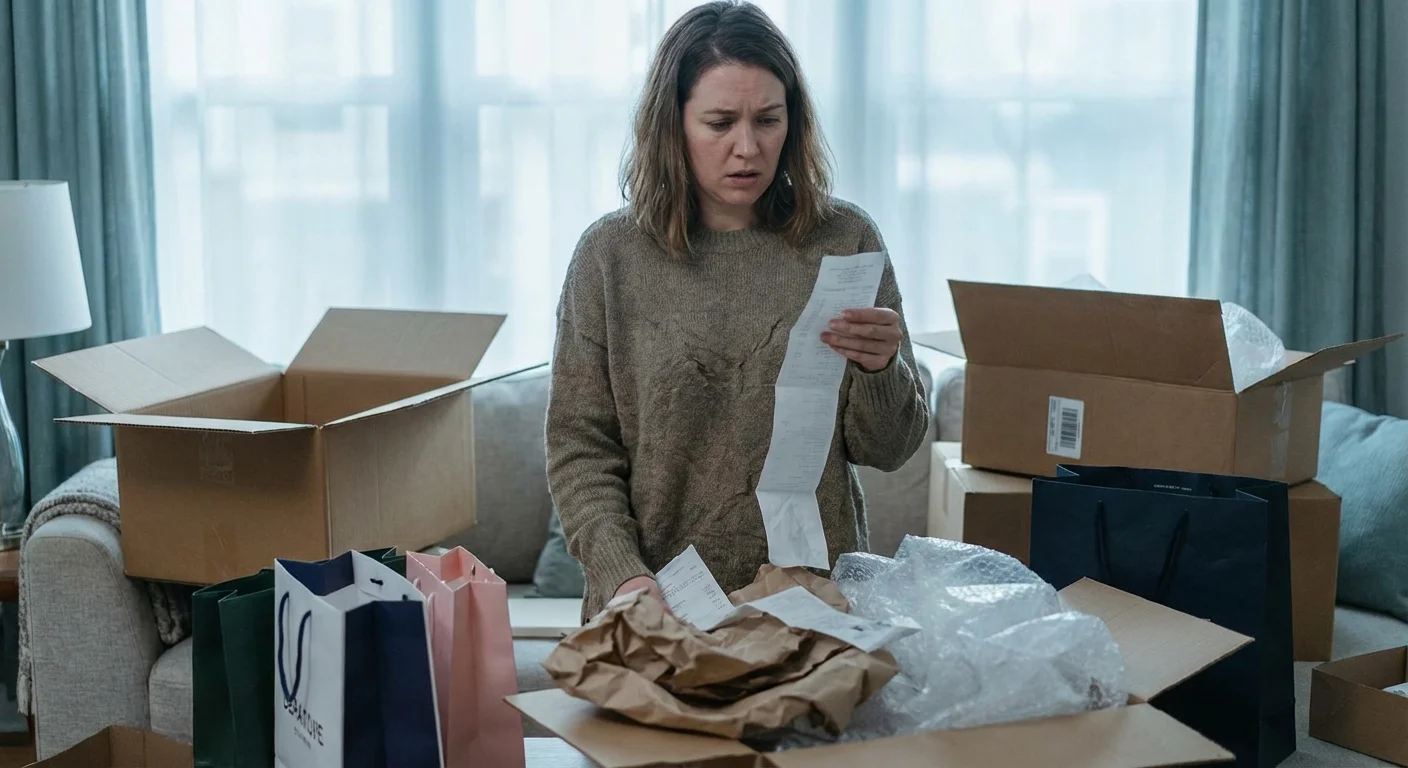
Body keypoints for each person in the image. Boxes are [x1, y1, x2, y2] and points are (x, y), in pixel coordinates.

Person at [546, 0, 930, 621]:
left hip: (810, 600)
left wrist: (883, 370)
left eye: (767, 120)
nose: (747, 148)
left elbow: (888, 449)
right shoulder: (608, 255)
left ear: (793, 123)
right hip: (654, 606)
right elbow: (579, 449)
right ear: (672, 126)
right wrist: (623, 578)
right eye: (720, 122)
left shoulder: (845, 240)